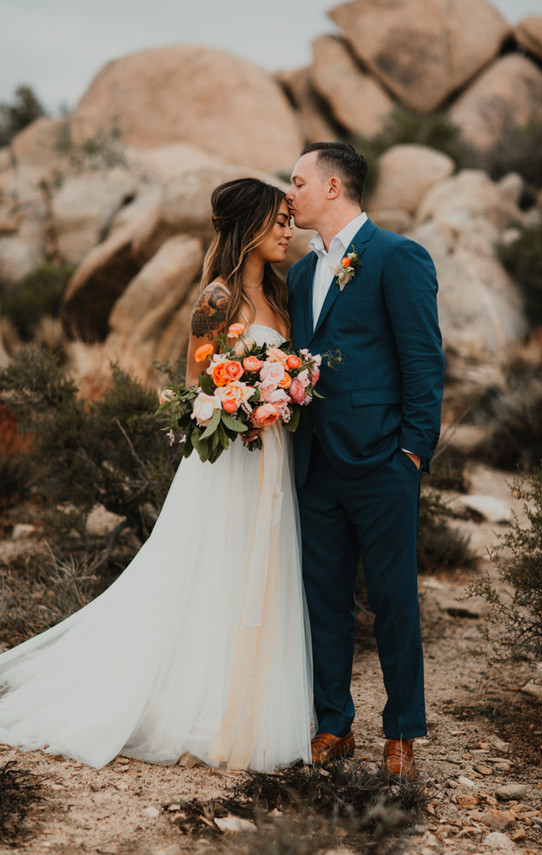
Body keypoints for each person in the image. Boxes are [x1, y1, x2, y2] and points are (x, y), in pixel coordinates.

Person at [0, 178, 313, 773]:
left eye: (289, 219)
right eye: (277, 219)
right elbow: (201, 385)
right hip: (229, 459)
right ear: (248, 226)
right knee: (214, 569)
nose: (286, 229)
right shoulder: (218, 300)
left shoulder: (281, 295)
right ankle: (196, 701)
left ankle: (246, 695)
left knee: (261, 570)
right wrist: (246, 397)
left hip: (273, 456)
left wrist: (286, 391)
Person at [285, 142, 445, 777]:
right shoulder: (300, 274)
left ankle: (402, 732)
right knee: (324, 600)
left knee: (393, 600)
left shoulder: (397, 257)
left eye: (296, 181)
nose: (287, 193)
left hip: (383, 460)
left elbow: (423, 360)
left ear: (331, 188)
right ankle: (334, 724)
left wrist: (411, 450)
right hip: (316, 463)